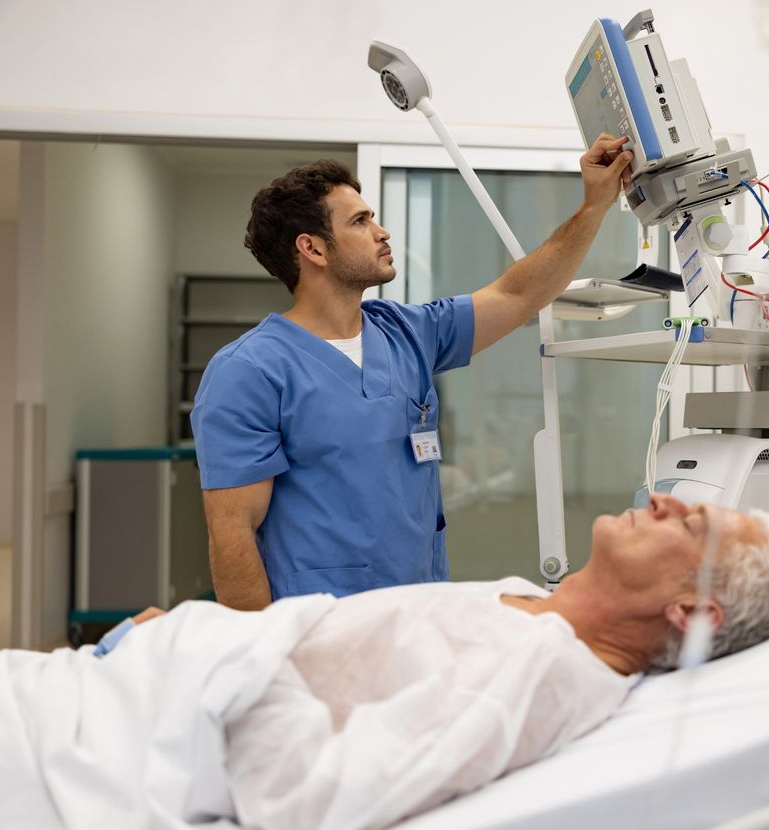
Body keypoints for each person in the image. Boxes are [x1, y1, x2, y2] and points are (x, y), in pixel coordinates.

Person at [0, 497, 769, 830]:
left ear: (690, 613)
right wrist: (186, 639)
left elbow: (314, 794)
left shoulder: (544, 672)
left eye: (688, 524)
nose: (663, 498)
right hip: (83, 693)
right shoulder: (519, 603)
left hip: (63, 756)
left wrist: (217, 649)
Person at [191, 136, 635, 610]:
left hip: (422, 609)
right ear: (313, 249)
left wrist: (594, 206)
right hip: (321, 625)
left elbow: (518, 295)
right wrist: (263, 657)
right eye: (361, 222)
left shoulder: (407, 333)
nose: (381, 232)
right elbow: (232, 537)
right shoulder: (248, 372)